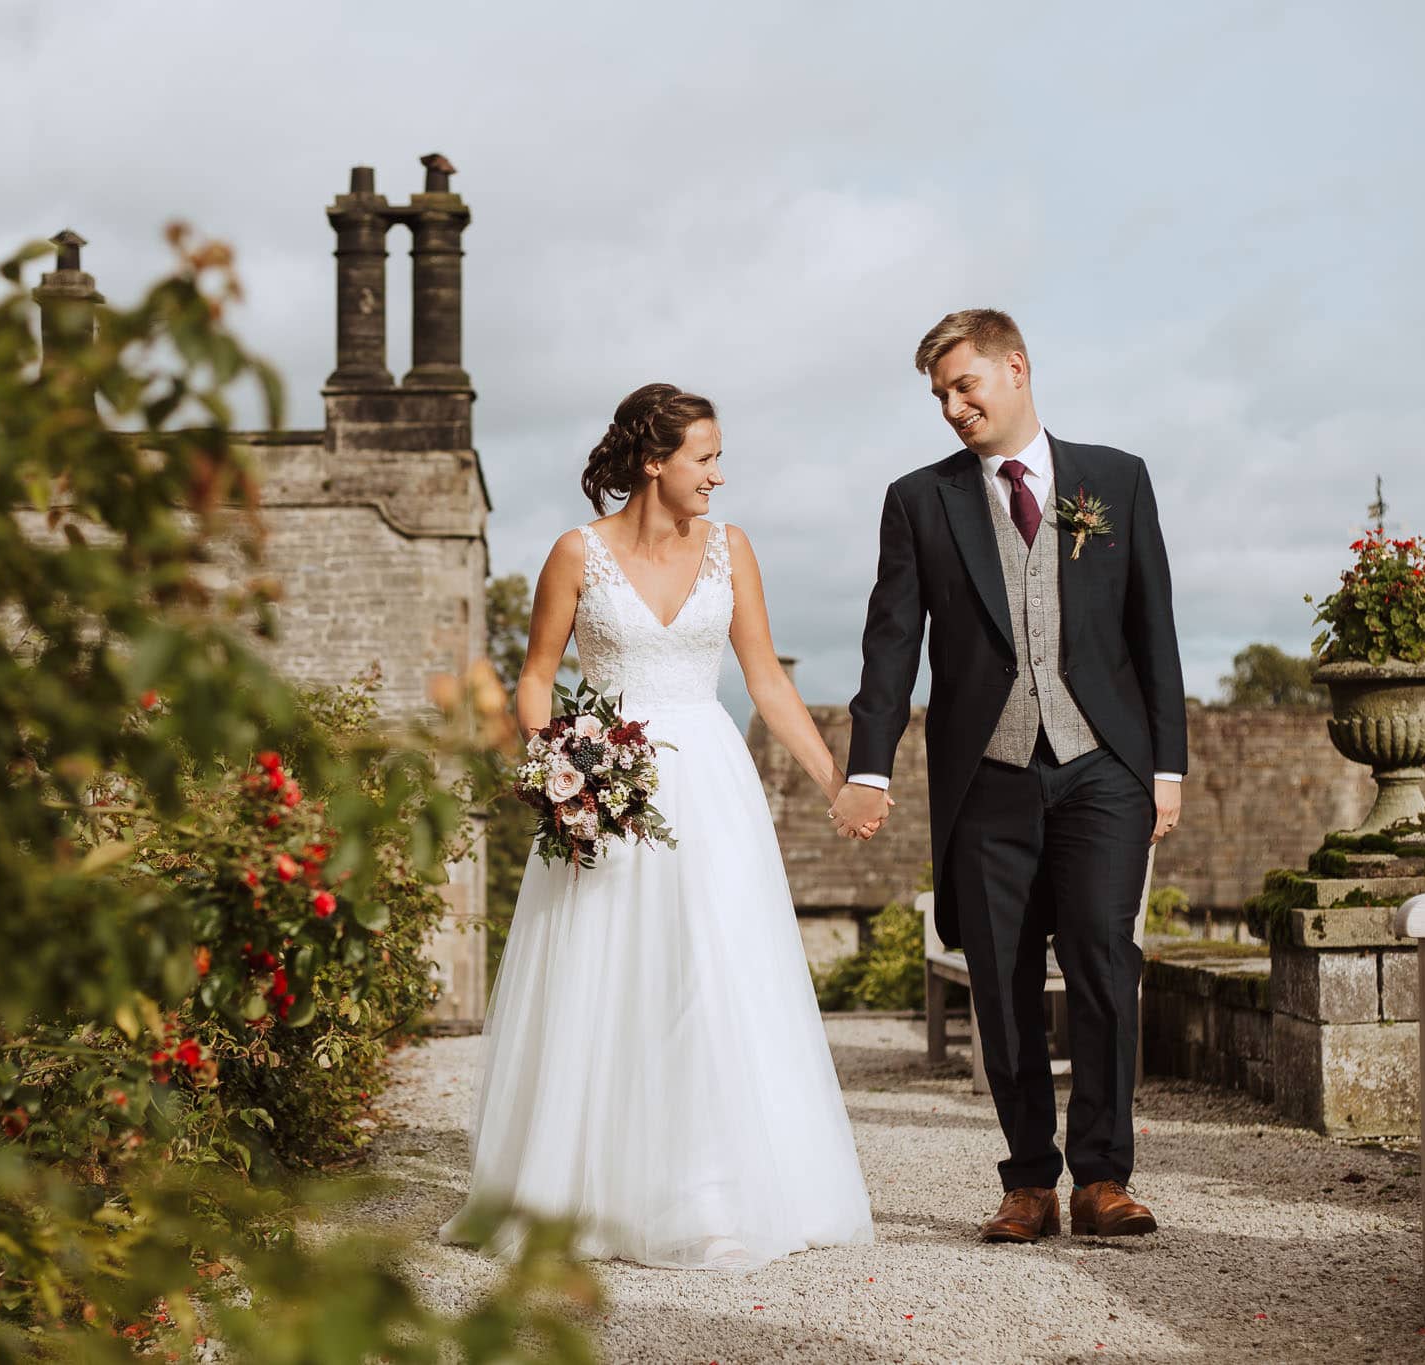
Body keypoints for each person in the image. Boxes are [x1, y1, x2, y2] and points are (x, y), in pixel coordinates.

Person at [439, 383, 874, 1270]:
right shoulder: (577, 553)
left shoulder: (732, 549)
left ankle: (713, 1188)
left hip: (712, 784)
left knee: (713, 975)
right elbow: (534, 676)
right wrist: (556, 763)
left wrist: (840, 778)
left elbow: (767, 683)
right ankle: (581, 1194)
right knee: (605, 978)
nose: (719, 474)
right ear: (653, 460)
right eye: (705, 457)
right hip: (608, 785)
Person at [831, 309, 1186, 1242]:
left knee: (1107, 961)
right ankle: (1029, 1179)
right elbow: (891, 643)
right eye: (940, 395)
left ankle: (1103, 1177)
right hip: (986, 775)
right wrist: (870, 765)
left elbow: (1156, 632)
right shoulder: (919, 500)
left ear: (1016, 367)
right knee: (1002, 978)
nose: (952, 408)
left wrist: (1167, 764)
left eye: (964, 386)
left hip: (1103, 765)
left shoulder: (1116, 479)